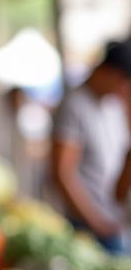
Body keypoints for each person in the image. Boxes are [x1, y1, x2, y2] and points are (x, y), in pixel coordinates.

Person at [51, 39, 131, 252]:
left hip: (114, 222)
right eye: (124, 82)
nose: (125, 90)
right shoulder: (74, 105)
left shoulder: (113, 106)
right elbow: (62, 173)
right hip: (88, 227)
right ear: (108, 72)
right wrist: (96, 223)